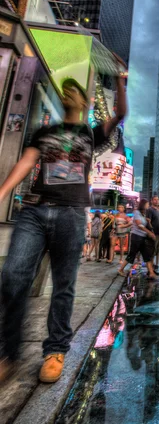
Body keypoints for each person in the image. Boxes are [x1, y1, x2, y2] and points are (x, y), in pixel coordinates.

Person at [0, 70, 127, 385]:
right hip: (35, 210)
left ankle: (55, 351)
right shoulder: (44, 133)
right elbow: (27, 162)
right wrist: (2, 192)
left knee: (64, 285)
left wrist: (121, 79)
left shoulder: (90, 133)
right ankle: (7, 353)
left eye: (75, 90)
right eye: (64, 89)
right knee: (13, 276)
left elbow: (122, 114)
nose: (68, 92)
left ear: (84, 102)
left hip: (71, 214)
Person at [118, 199, 158, 279]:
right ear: (143, 205)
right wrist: (149, 232)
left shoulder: (143, 214)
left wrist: (148, 222)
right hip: (136, 237)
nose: (148, 205)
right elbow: (139, 225)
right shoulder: (136, 212)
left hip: (142, 237)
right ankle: (121, 269)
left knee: (146, 255)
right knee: (132, 254)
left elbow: (144, 224)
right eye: (147, 204)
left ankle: (151, 273)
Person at [146, 195, 159, 272]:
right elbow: (148, 221)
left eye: (158, 199)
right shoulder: (150, 210)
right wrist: (151, 232)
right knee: (152, 253)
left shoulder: (158, 211)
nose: (157, 201)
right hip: (154, 234)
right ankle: (150, 270)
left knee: (156, 251)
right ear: (151, 201)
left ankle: (152, 269)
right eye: (155, 200)